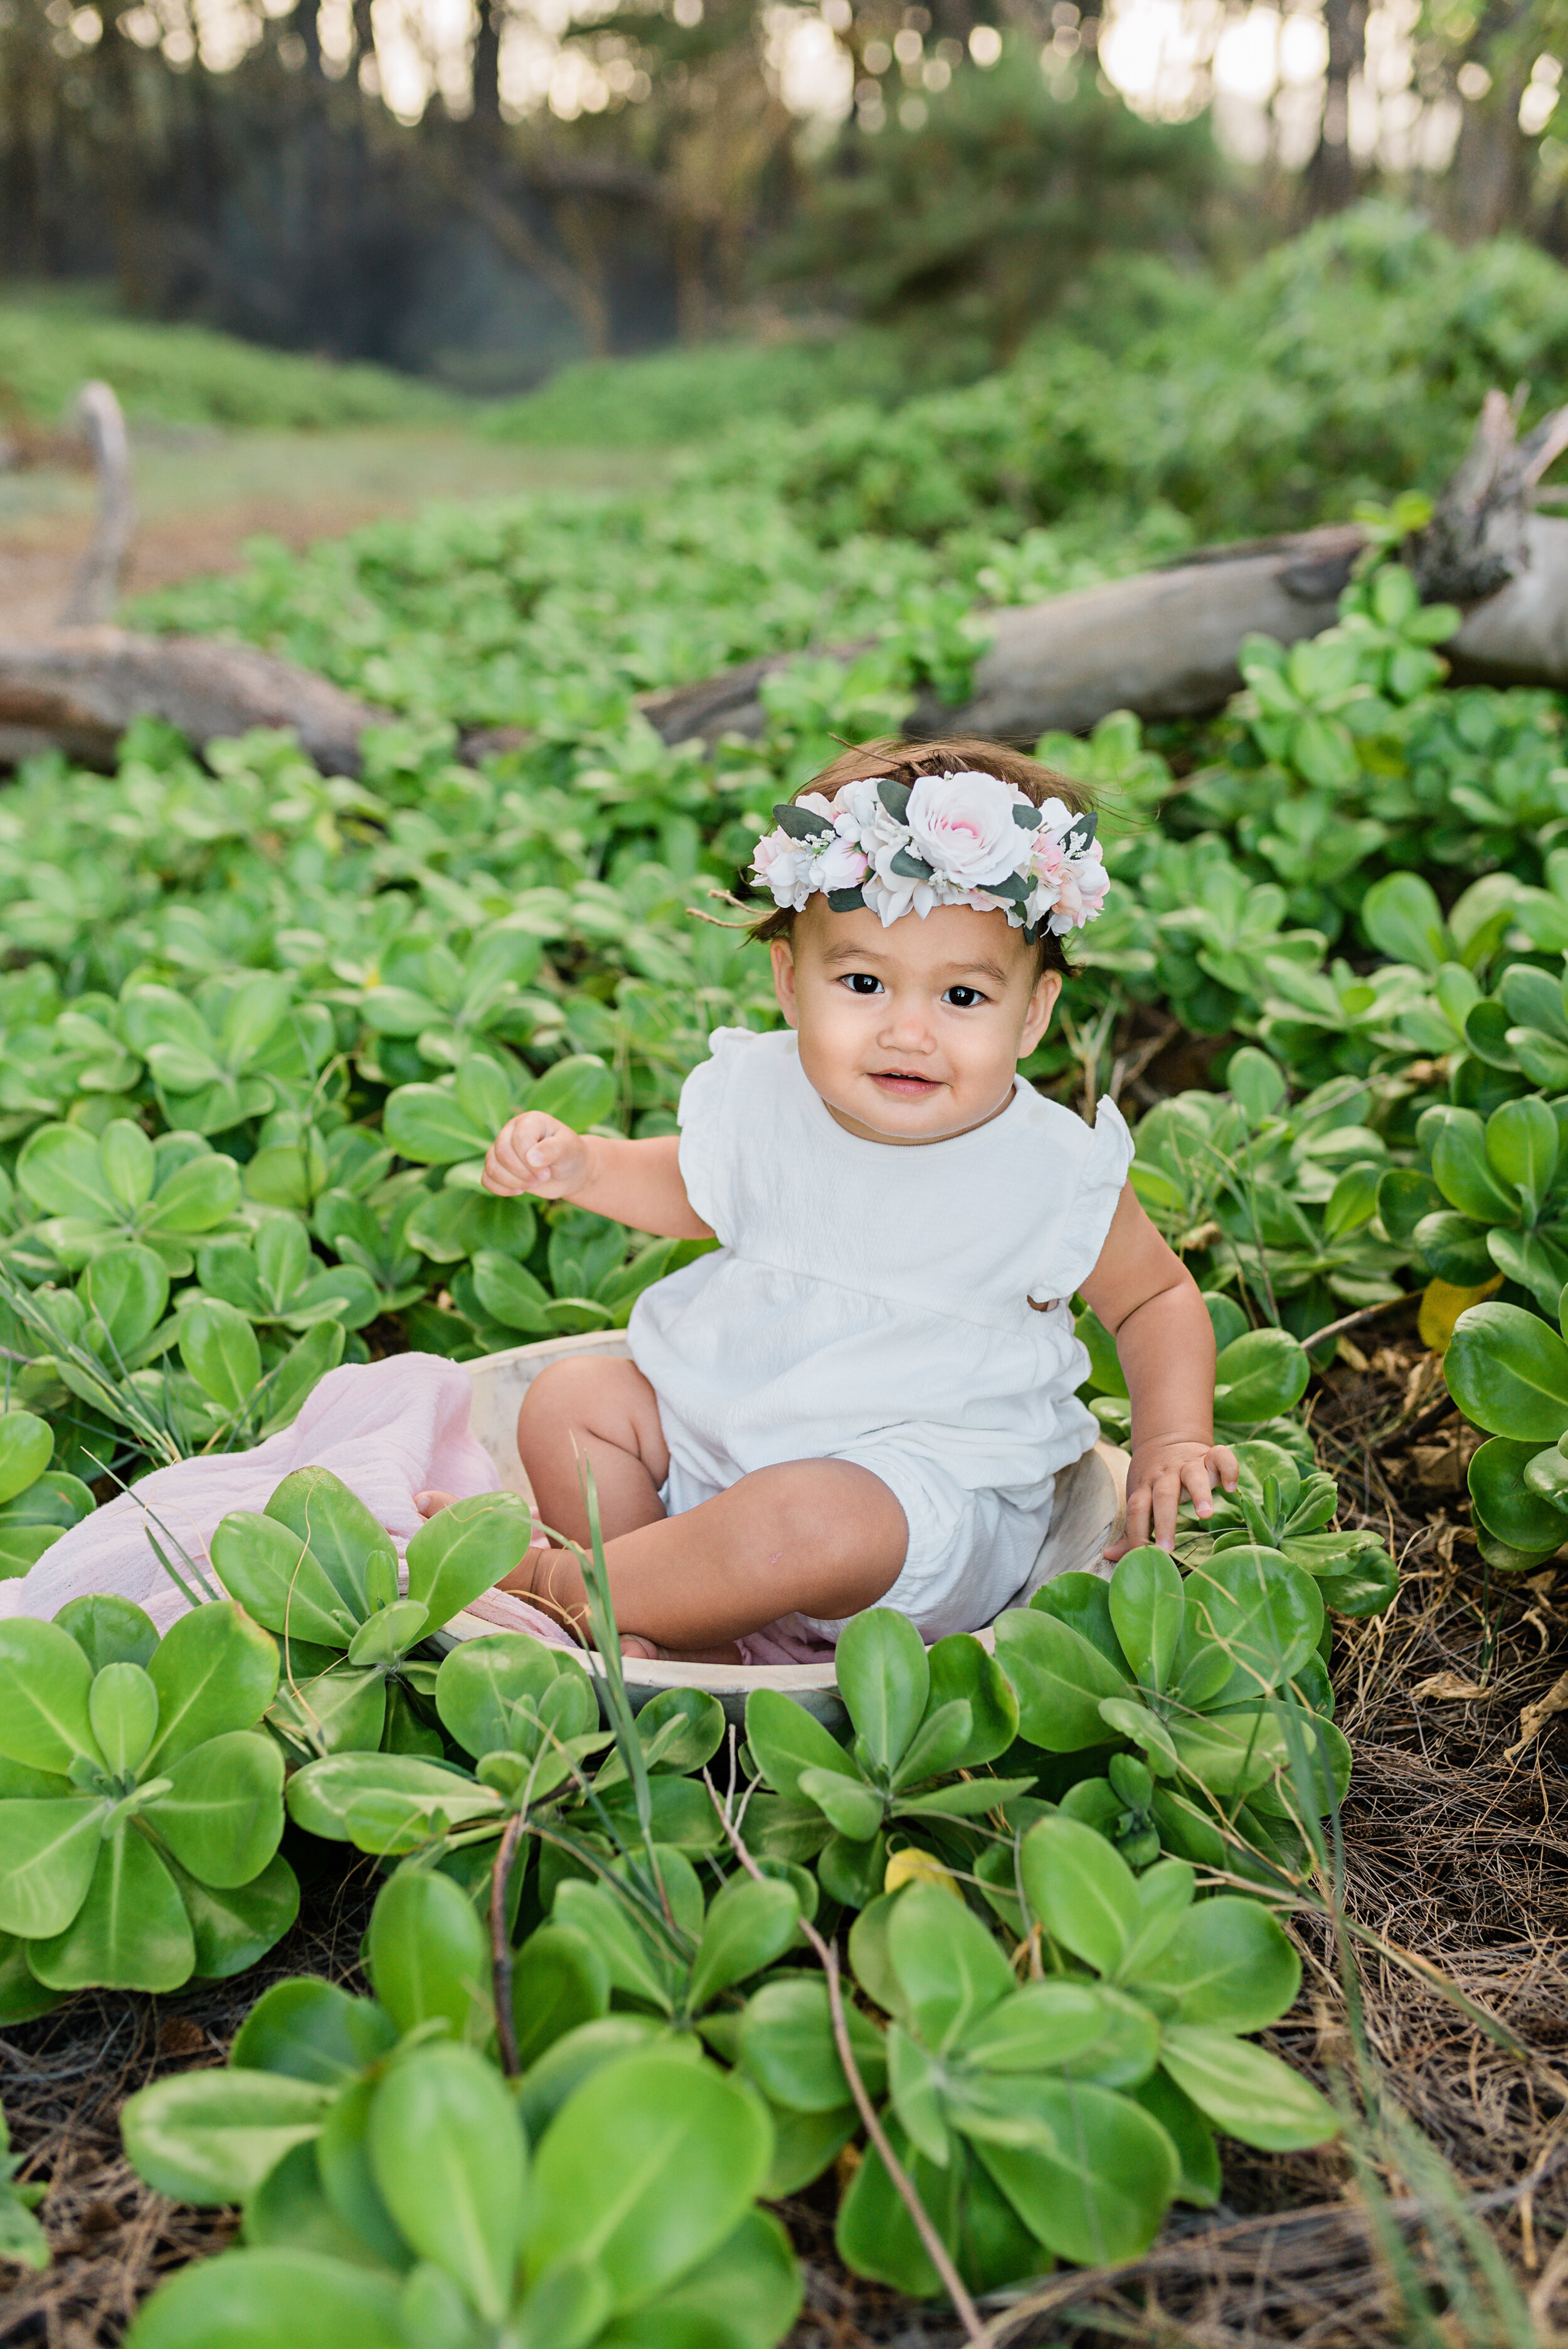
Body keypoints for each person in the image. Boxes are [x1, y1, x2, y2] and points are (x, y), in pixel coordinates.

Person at [421, 736, 1237, 1663]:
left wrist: (1175, 1434)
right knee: (572, 1401)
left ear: (1035, 1013)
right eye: (862, 982)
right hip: (727, 1444)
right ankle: (669, 1616)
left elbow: (1155, 1299)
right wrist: (587, 1168)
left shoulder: (1049, 1168)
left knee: (807, 1515)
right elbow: (694, 1185)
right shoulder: (767, 1094)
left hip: (905, 1515)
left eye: (964, 995)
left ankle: (568, 1587)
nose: (908, 1029)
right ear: (790, 986)